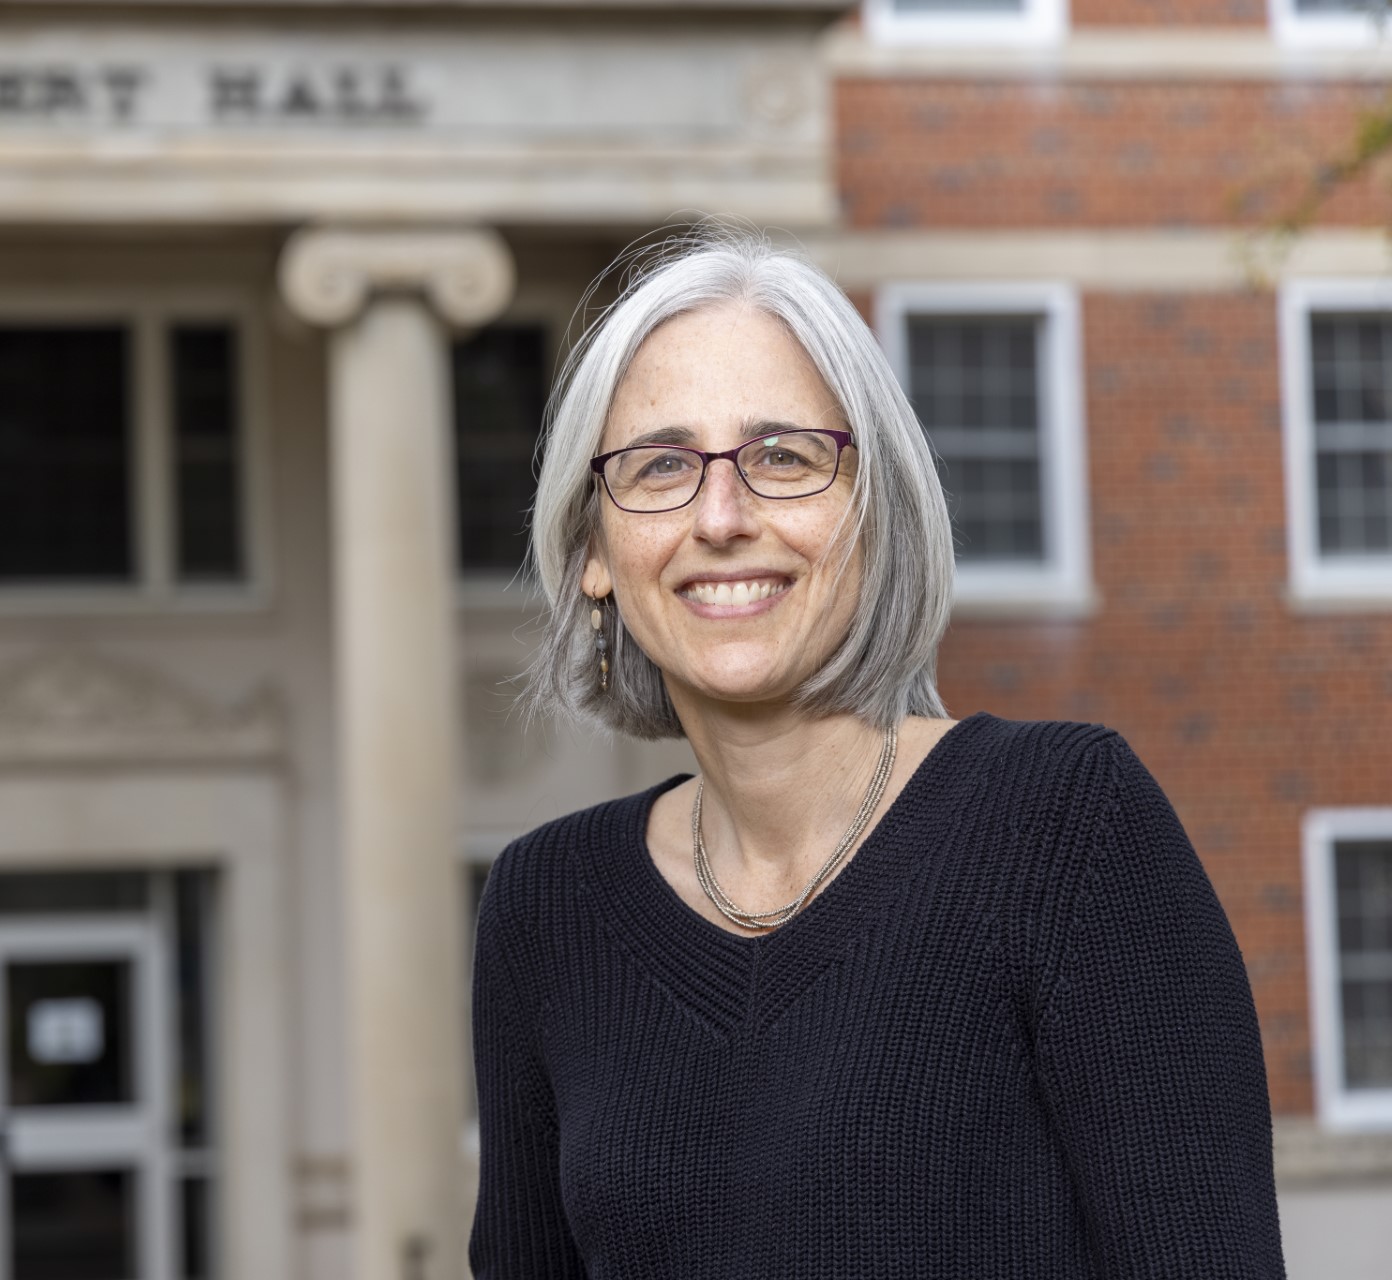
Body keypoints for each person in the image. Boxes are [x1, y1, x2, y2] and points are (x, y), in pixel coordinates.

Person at [470, 230, 1285, 1278]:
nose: (721, 516)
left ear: (873, 511)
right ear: (593, 551)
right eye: (662, 464)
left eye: (783, 457)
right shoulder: (547, 905)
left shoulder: (1068, 826)